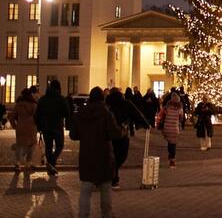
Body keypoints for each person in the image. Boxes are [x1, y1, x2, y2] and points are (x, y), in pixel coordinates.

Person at [70, 87, 123, 218]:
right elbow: (114, 133)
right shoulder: (106, 113)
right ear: (102, 98)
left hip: (87, 155)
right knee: (105, 188)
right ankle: (106, 214)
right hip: (103, 155)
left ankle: (83, 215)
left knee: (85, 189)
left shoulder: (81, 113)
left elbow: (73, 134)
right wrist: (122, 130)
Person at [106, 87, 148, 187]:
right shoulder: (126, 102)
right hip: (124, 133)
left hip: (110, 133)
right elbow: (137, 114)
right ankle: (113, 177)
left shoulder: (108, 103)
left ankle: (112, 176)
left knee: (113, 155)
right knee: (122, 155)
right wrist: (146, 124)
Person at [35, 79, 71, 176]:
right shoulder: (61, 99)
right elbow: (67, 113)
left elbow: (37, 114)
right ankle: (52, 162)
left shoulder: (42, 99)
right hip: (57, 126)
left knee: (48, 147)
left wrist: (39, 126)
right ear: (59, 88)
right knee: (59, 145)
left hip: (45, 127)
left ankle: (50, 165)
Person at [10, 88, 38, 173]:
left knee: (20, 144)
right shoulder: (34, 105)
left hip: (20, 126)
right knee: (31, 144)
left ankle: (18, 163)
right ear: (30, 95)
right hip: (32, 127)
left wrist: (15, 125)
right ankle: (28, 162)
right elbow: (38, 117)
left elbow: (11, 116)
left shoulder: (18, 105)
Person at [159, 92, 183, 168]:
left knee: (170, 143)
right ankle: (172, 160)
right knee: (173, 144)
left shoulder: (166, 108)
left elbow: (161, 116)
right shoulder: (180, 109)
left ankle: (170, 157)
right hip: (174, 129)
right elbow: (181, 119)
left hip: (167, 128)